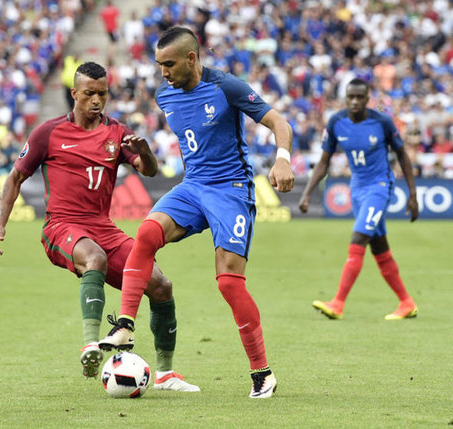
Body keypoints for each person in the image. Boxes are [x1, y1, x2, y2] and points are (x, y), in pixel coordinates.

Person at [98, 27, 295, 399]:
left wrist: (282, 159)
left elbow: (279, 123)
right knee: (146, 233)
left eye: (169, 64)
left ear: (191, 58)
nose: (163, 73)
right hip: (192, 186)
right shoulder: (164, 94)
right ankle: (124, 324)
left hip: (230, 190)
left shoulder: (226, 87)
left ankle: (262, 373)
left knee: (229, 282)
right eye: (159, 65)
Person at [0, 62, 199, 392]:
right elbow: (15, 178)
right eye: (89, 94)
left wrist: (145, 152)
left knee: (161, 285)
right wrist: (0, 224)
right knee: (94, 258)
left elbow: (148, 170)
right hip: (61, 226)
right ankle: (90, 346)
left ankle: (166, 375)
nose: (96, 100)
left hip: (104, 228)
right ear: (74, 94)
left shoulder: (117, 132)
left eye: (102, 94)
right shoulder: (48, 133)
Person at [299, 78, 419, 320]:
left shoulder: (382, 122)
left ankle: (337, 303)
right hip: (357, 189)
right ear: (345, 98)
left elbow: (402, 155)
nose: (354, 101)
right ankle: (406, 303)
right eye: (350, 97)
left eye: (359, 97)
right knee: (379, 247)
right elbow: (324, 161)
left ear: (367, 99)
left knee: (358, 238)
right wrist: (307, 192)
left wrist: (413, 194)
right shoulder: (336, 122)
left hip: (379, 187)